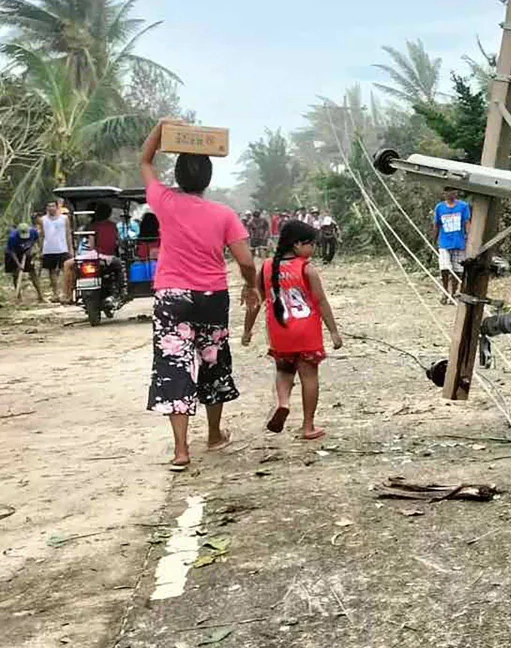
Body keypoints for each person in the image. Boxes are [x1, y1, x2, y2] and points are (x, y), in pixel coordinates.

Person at [139, 120, 259, 471]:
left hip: (172, 296)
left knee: (173, 365)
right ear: (208, 180)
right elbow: (246, 261)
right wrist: (250, 285)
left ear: (177, 177)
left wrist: (160, 132)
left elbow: (144, 162)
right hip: (211, 296)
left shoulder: (163, 200)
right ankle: (214, 434)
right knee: (212, 361)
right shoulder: (224, 214)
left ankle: (180, 451)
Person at [243, 220, 343, 441]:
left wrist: (247, 331)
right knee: (309, 376)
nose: (314, 249)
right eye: (311, 244)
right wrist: (334, 332)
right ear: (298, 245)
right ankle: (308, 426)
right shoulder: (307, 269)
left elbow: (255, 301)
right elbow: (321, 302)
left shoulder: (268, 266)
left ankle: (283, 403)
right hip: (306, 332)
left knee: (284, 371)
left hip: (280, 332)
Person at [60, 202, 120, 302]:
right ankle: (118, 291)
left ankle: (67, 294)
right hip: (110, 257)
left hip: (95, 256)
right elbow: (117, 242)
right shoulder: (113, 226)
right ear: (109, 213)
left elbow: (91, 246)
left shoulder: (93, 226)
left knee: (67, 264)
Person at [433, 187, 471, 301]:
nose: (452, 194)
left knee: (457, 270)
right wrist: (434, 240)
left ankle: (453, 292)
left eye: (454, 191)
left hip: (459, 243)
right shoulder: (440, 207)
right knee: (444, 268)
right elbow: (436, 224)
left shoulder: (463, 206)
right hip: (444, 243)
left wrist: (469, 238)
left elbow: (467, 222)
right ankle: (445, 292)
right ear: (444, 193)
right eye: (449, 192)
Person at [38, 200, 71, 303]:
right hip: (48, 249)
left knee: (64, 271)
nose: (51, 208)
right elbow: (42, 236)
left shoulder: (64, 219)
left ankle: (65, 293)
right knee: (51, 272)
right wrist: (41, 250)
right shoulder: (42, 220)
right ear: (46, 208)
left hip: (62, 248)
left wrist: (70, 249)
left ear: (57, 207)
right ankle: (55, 293)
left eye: (53, 206)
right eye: (49, 206)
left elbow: (68, 234)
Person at [6, 220, 43, 302]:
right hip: (13, 254)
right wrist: (18, 264)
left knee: (33, 273)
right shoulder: (13, 237)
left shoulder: (33, 232)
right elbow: (12, 252)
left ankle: (40, 296)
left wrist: (37, 250)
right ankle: (18, 297)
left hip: (26, 252)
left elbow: (37, 240)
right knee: (16, 274)